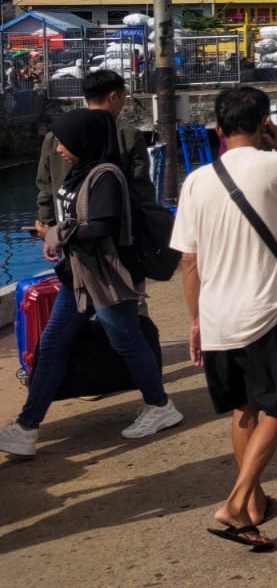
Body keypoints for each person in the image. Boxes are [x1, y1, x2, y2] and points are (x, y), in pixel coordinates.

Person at [169, 87, 277, 552]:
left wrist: (195, 321)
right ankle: (236, 500)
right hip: (268, 307)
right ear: (265, 122)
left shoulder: (196, 181)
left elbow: (189, 261)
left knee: (244, 409)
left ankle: (254, 505)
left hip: (216, 312)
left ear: (218, 129)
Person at [0, 110, 182, 460]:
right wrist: (58, 240)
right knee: (53, 345)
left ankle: (160, 405)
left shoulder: (106, 177)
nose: (58, 150)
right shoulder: (79, 172)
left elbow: (100, 228)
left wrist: (51, 234)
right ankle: (26, 428)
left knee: (125, 340)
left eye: (64, 142)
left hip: (104, 279)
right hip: (79, 276)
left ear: (85, 140)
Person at [35, 68, 149, 239]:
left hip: (64, 229)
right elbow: (140, 188)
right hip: (111, 233)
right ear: (113, 97)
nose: (60, 149)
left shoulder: (56, 136)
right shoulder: (128, 136)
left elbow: (45, 188)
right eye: (123, 97)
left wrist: (49, 229)